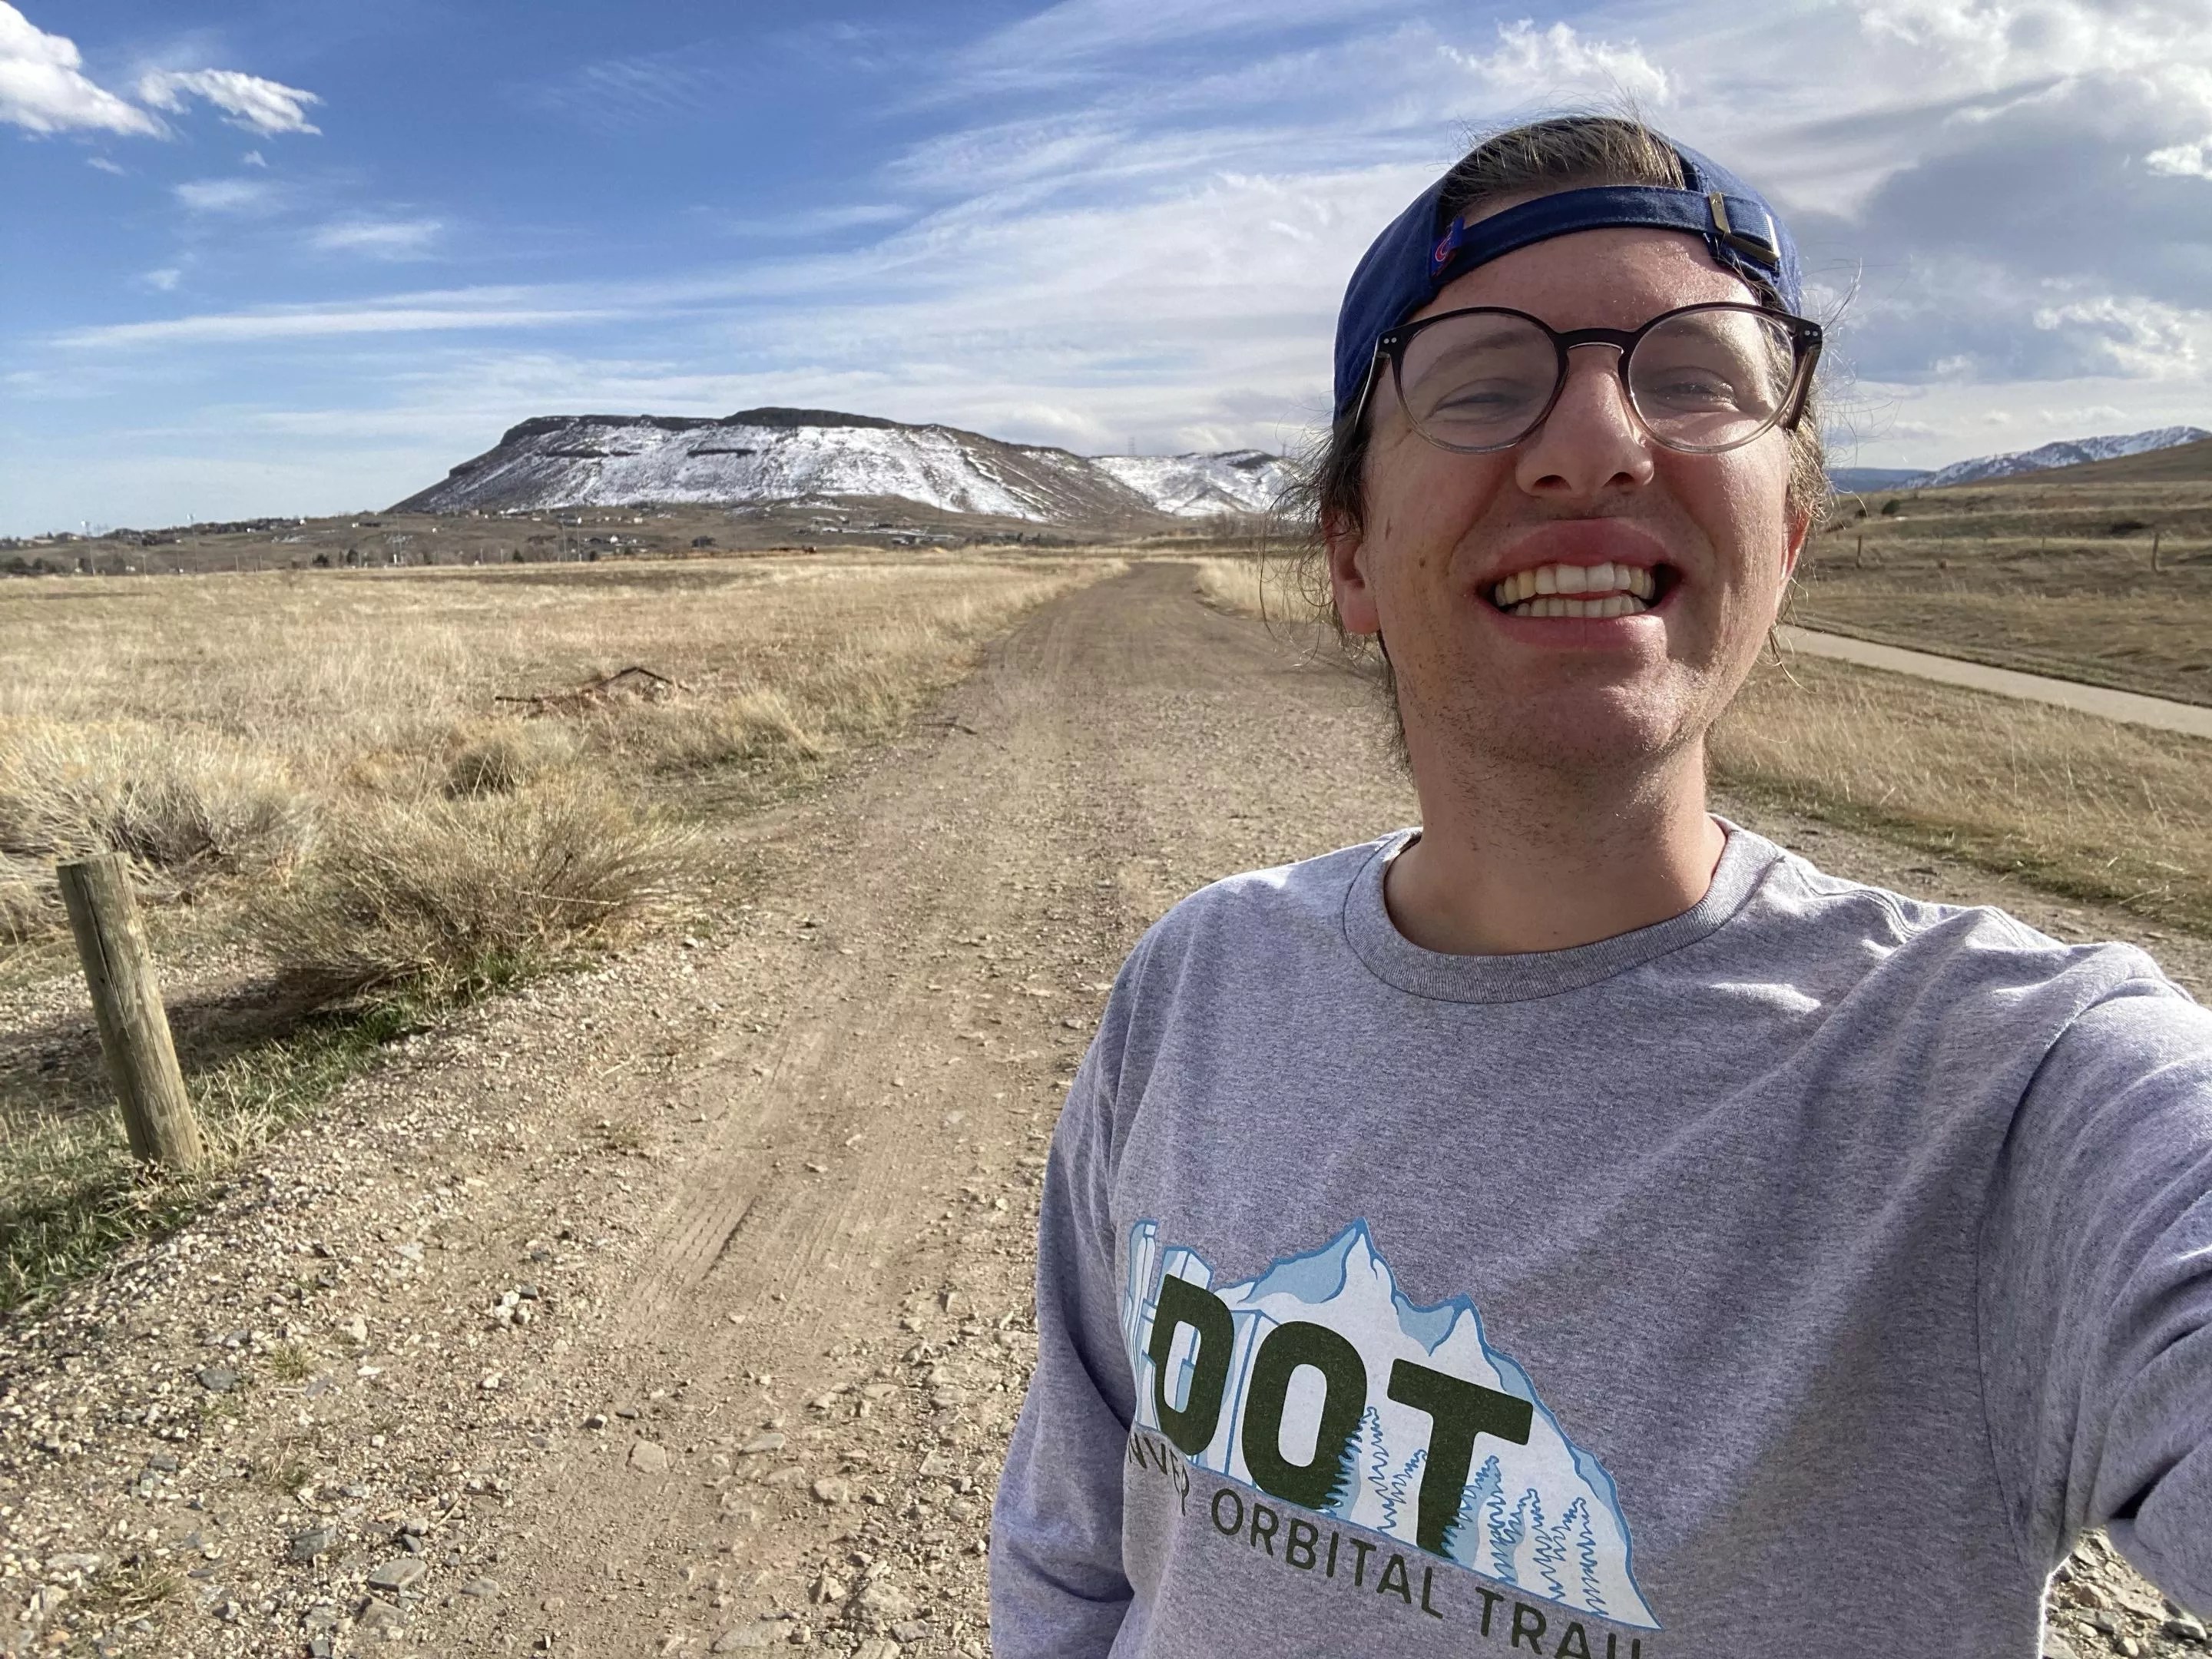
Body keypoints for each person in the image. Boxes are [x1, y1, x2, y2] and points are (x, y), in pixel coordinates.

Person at [987, 114, 2212, 1657]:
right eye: (1486, 384)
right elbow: (1075, 1544)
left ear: (1791, 533)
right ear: (1351, 557)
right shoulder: (1200, 983)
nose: (1593, 442)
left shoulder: (2028, 1099)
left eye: (1695, 376)